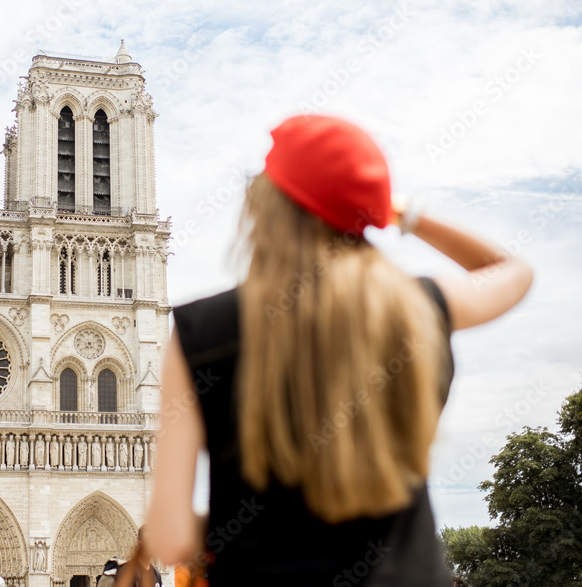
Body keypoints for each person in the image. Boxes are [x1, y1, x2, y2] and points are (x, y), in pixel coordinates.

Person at [144, 115, 533, 585]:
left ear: (267, 210)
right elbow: (510, 269)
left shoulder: (199, 331)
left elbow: (170, 539)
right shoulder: (414, 306)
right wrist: (398, 211)